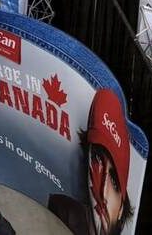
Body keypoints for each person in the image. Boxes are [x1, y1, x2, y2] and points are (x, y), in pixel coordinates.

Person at [48, 89, 135, 235]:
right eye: (97, 160)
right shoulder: (60, 211)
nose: (102, 192)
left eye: (114, 181)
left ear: (121, 208)